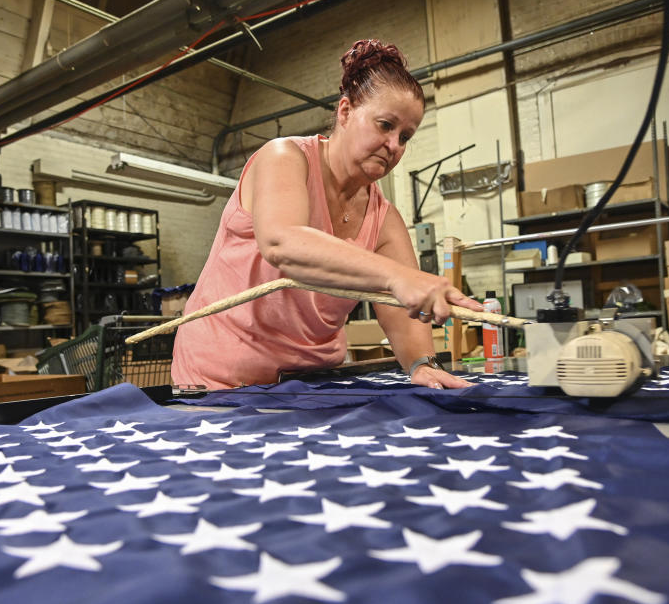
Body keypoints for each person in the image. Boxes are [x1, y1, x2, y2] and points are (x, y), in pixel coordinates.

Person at [172, 39, 483, 390]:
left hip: (311, 385)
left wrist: (421, 364)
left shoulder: (385, 219)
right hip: (221, 382)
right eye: (385, 125)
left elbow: (401, 312)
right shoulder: (284, 159)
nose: (395, 146)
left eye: (406, 136)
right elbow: (283, 242)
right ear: (346, 111)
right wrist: (398, 276)